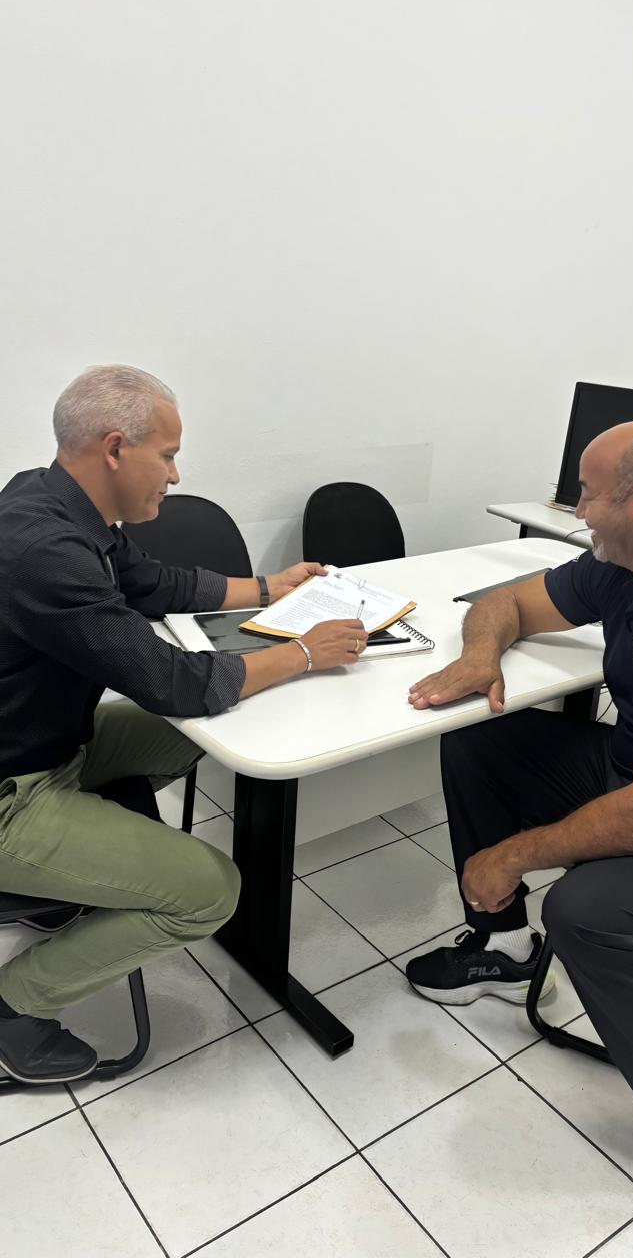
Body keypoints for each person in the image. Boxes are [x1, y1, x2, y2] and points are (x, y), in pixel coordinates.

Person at [0, 364, 368, 1085]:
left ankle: (59, 889)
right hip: (14, 791)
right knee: (209, 891)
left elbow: (152, 582)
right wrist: (302, 653)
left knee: (186, 740)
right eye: (167, 455)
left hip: (49, 743)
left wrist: (269, 587)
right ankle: (13, 1006)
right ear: (114, 449)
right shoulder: (46, 550)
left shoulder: (54, 501)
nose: (175, 474)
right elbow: (172, 681)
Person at [406, 418, 633, 1254]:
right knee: (480, 742)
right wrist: (481, 655)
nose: (576, 509)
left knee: (586, 912)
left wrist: (509, 854)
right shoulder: (629, 564)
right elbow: (504, 603)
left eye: (587, 492)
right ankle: (505, 949)